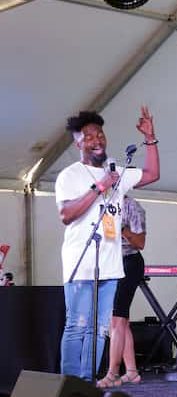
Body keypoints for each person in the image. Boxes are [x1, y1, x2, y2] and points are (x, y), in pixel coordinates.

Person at [56, 107, 159, 382]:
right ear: (78, 143)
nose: (97, 139)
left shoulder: (118, 172)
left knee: (100, 329)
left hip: (111, 267)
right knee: (77, 327)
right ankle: (67, 385)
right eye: (89, 136)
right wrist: (100, 187)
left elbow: (152, 174)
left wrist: (150, 138)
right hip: (81, 265)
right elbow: (66, 214)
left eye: (100, 133)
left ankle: (87, 384)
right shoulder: (70, 175)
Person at [97, 195, 147, 387]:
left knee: (117, 319)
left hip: (129, 262)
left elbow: (140, 243)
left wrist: (123, 229)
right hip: (110, 263)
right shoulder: (103, 203)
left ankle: (113, 373)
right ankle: (132, 371)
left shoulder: (132, 207)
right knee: (119, 321)